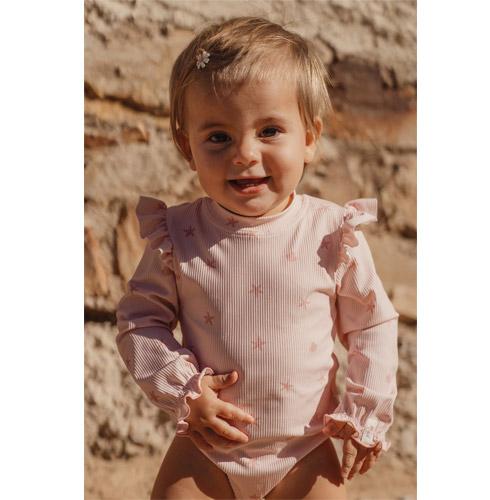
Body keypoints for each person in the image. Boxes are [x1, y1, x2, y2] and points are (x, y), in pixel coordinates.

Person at [116, 16, 399, 500]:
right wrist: (184, 389)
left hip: (305, 449)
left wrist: (363, 413)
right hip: (207, 448)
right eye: (218, 137)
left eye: (269, 130)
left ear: (309, 138)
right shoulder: (177, 236)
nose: (245, 153)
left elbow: (371, 324)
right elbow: (139, 322)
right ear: (187, 147)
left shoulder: (332, 233)